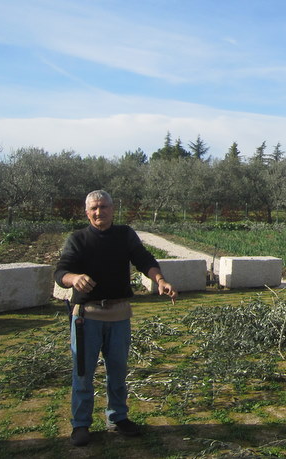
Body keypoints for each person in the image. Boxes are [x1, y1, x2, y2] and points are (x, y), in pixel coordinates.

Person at [54, 189, 177, 447]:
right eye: (94, 209)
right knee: (83, 373)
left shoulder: (125, 235)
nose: (99, 212)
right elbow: (61, 272)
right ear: (87, 213)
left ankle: (118, 417)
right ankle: (80, 424)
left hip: (119, 315)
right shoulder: (78, 239)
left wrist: (161, 280)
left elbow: (144, 260)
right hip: (86, 317)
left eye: (104, 207)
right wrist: (74, 279)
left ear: (112, 209)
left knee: (118, 371)